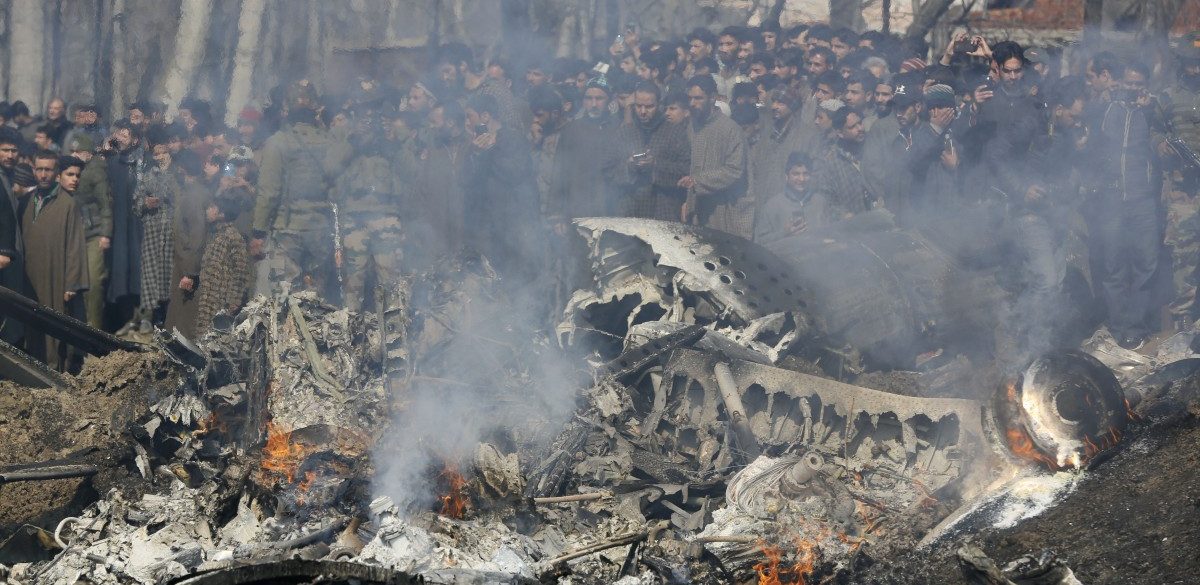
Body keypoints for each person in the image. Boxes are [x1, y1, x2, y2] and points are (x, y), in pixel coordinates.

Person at [250, 80, 345, 296]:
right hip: (320, 230)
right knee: (316, 298)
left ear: (287, 108)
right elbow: (338, 188)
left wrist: (258, 232)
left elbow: (269, 192)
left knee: (283, 298)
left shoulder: (278, 142)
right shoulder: (329, 142)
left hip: (287, 232)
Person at [335, 111, 407, 312]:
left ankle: (393, 333)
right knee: (352, 282)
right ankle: (351, 332)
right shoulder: (348, 144)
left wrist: (394, 138)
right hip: (354, 220)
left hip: (386, 218)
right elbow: (331, 168)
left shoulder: (392, 144)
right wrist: (351, 137)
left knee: (389, 281)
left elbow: (410, 173)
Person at [22, 153, 88, 370]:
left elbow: (75, 246)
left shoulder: (68, 204)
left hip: (56, 275)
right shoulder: (26, 201)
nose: (43, 174)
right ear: (33, 170)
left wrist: (71, 283)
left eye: (48, 170)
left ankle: (54, 372)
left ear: (57, 174)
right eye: (39, 169)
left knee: (54, 325)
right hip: (30, 276)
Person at [680, 75, 752, 237]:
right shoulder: (692, 126)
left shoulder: (730, 129)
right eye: (690, 98)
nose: (692, 103)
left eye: (698, 98)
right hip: (697, 207)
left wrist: (699, 181)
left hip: (724, 209)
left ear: (712, 98)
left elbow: (734, 170)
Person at [616, 81, 691, 220]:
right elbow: (609, 169)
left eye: (649, 107)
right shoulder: (625, 132)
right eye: (639, 106)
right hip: (630, 210)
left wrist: (656, 165)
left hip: (663, 210)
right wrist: (628, 166)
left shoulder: (675, 132)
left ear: (659, 105)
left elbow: (686, 169)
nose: (643, 112)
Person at [131, 126, 181, 333]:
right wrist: (145, 203)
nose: (160, 157)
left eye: (164, 153)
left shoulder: (178, 174)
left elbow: (178, 199)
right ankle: (148, 320)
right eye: (157, 154)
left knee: (168, 279)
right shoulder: (147, 175)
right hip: (151, 233)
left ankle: (167, 319)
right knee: (150, 278)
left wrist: (165, 177)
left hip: (170, 234)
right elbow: (135, 203)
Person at [163, 151, 210, 339]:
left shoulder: (194, 196)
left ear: (183, 170)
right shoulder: (193, 192)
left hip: (187, 266)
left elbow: (197, 235)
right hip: (183, 262)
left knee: (183, 318)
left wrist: (190, 273)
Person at [66, 134, 111, 328]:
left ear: (89, 154)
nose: (75, 155)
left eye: (79, 152)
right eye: (72, 151)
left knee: (93, 282)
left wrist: (105, 234)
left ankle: (95, 327)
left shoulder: (96, 172)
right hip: (72, 234)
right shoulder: (66, 169)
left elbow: (106, 204)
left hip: (93, 234)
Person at [105, 119, 145, 328]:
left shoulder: (143, 165)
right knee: (119, 273)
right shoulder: (112, 163)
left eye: (125, 134)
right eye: (118, 133)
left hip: (138, 229)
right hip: (118, 227)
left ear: (135, 140)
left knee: (137, 274)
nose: (120, 137)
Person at [194, 193, 249, 336]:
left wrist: (233, 303)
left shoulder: (233, 237)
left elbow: (241, 273)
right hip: (207, 298)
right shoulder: (215, 234)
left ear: (222, 213)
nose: (208, 210)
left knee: (216, 338)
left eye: (212, 207)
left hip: (221, 301)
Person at [755, 151, 828, 244]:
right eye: (796, 174)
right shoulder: (772, 206)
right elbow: (760, 242)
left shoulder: (819, 201)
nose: (801, 179)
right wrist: (784, 233)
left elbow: (829, 232)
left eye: (806, 174)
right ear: (786, 176)